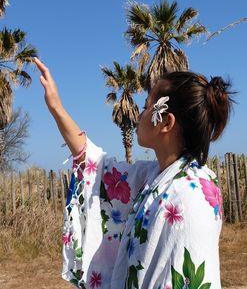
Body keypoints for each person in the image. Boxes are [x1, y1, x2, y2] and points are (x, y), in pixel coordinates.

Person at [34, 57, 235, 289]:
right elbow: (96, 165)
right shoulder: (153, 177)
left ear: (166, 123)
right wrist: (56, 107)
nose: (140, 115)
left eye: (147, 106)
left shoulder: (190, 197)